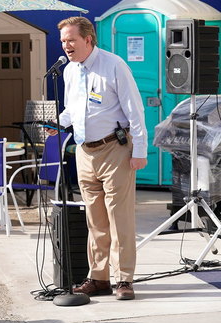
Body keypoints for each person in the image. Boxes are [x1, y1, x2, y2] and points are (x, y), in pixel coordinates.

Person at [47, 17, 148, 300]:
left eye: (71, 40)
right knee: (95, 219)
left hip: (114, 149)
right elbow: (73, 111)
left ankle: (124, 279)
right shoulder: (69, 71)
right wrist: (52, 122)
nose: (66, 46)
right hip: (84, 151)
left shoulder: (113, 65)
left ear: (88, 39)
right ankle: (99, 276)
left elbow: (135, 110)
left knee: (120, 218)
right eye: (63, 41)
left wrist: (139, 151)